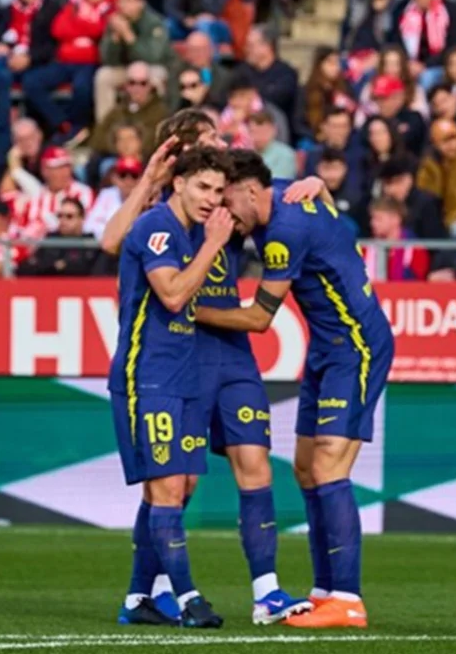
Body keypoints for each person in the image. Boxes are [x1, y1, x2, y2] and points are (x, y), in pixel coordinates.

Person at [101, 108, 328, 625]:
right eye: (208, 139)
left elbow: (270, 195)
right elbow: (111, 242)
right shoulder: (164, 211)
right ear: (179, 160)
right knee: (176, 483)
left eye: (219, 137)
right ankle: (153, 590)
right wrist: (148, 180)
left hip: (231, 348)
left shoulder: (224, 191)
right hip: (183, 352)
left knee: (254, 460)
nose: (221, 144)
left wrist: (315, 184)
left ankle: (266, 591)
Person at [196, 150, 395, 630]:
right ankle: (325, 591)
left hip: (356, 346)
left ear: (249, 191)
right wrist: (319, 184)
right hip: (326, 348)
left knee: (328, 465)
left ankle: (348, 599)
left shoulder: (285, 230)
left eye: (227, 202)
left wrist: (186, 310)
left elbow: (259, 318)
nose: (225, 214)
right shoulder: (282, 192)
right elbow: (316, 197)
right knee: (306, 468)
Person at [107, 145, 235, 629]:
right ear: (178, 183)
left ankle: (138, 597)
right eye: (202, 186)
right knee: (167, 488)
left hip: (183, 376)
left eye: (218, 190)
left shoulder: (193, 230)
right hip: (147, 375)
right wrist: (213, 245)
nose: (211, 198)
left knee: (180, 487)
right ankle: (188, 599)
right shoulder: (157, 227)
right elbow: (174, 294)